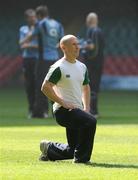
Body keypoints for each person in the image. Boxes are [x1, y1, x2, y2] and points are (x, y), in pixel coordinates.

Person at [40, 35, 97, 164]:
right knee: (91, 122)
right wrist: (62, 102)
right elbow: (45, 87)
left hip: (77, 111)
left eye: (78, 44)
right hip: (64, 111)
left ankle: (48, 149)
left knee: (73, 149)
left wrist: (86, 108)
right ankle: (81, 160)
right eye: (73, 44)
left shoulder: (82, 67)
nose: (78, 47)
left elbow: (86, 87)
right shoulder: (58, 67)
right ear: (63, 47)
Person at [20, 5, 64, 118]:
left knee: (42, 86)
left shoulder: (41, 24)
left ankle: (41, 112)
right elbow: (62, 41)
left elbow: (30, 36)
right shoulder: (57, 24)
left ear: (39, 15)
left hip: (43, 60)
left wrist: (24, 41)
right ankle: (57, 112)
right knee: (55, 85)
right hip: (55, 58)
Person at [78, 12, 105, 118]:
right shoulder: (100, 31)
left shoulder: (92, 31)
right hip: (99, 62)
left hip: (92, 63)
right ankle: (94, 110)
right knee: (95, 87)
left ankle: (91, 110)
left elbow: (92, 46)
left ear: (88, 21)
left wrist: (79, 47)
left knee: (89, 86)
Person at [19, 9, 38, 118]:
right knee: (29, 85)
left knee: (39, 85)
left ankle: (40, 110)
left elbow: (41, 46)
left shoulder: (40, 28)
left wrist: (29, 44)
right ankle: (31, 109)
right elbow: (21, 44)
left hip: (38, 59)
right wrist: (31, 37)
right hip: (27, 59)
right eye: (30, 17)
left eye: (34, 16)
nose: (33, 19)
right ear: (27, 18)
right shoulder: (23, 29)